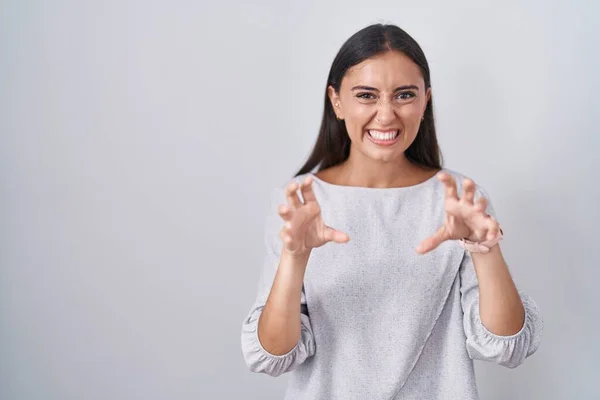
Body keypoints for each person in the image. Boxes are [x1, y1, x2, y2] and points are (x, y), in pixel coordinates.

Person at [240, 23, 543, 400]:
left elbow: (505, 345)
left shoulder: (460, 201)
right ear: (336, 101)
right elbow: (273, 355)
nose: (386, 115)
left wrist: (486, 250)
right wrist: (295, 258)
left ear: (425, 100)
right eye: (366, 95)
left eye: (404, 95)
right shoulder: (301, 203)